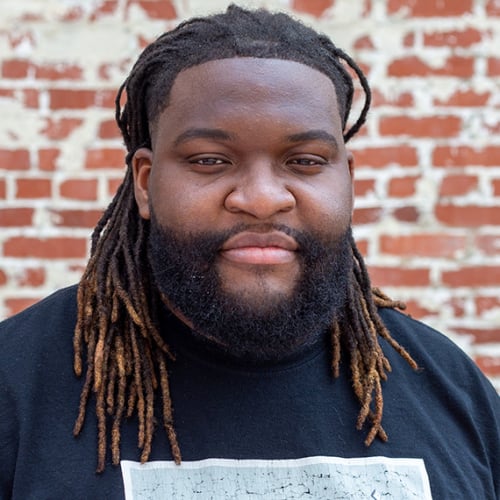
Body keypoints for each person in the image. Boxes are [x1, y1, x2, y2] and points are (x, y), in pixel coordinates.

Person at [0, 4, 498, 499]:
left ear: (347, 179)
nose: (261, 199)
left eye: (305, 161)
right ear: (146, 184)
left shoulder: (452, 391)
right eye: (209, 160)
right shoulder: (15, 385)